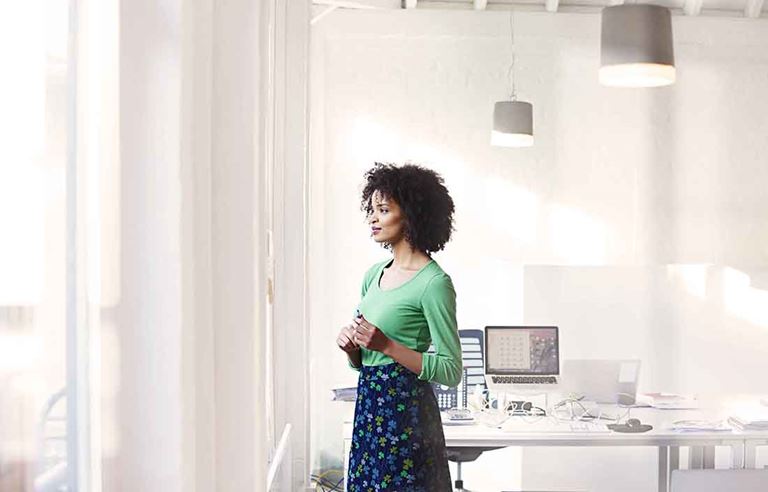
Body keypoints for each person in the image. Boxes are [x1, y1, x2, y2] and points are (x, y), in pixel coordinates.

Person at [336, 162, 461, 491]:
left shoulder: (434, 283)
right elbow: (365, 360)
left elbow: (450, 370)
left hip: (407, 413)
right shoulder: (373, 275)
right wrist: (353, 350)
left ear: (411, 215)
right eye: (372, 209)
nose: (372, 218)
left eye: (384, 209)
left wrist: (389, 346)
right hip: (369, 406)